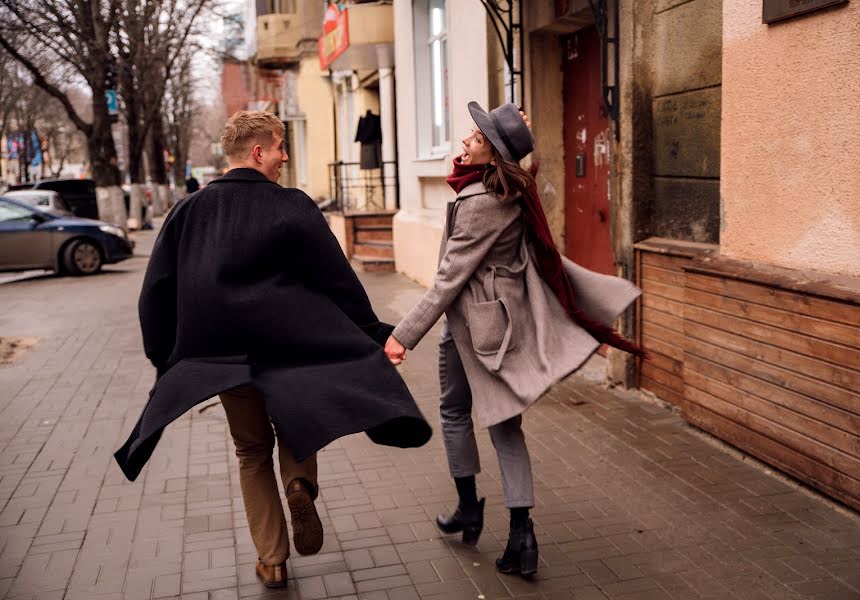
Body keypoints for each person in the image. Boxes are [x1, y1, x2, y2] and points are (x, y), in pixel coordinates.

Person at [115, 110, 431, 589]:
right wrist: (372, 332)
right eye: (280, 147)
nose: (285, 156)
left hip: (221, 358)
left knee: (251, 450)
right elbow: (337, 280)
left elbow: (156, 289)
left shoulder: (188, 212)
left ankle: (273, 559)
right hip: (292, 350)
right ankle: (299, 485)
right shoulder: (293, 206)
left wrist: (167, 358)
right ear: (258, 152)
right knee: (296, 427)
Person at [384, 102, 644, 578]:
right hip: (477, 325)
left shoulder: (483, 201)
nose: (465, 141)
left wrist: (402, 336)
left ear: (494, 154)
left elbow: (448, 278)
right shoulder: (497, 189)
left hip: (481, 329)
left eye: (476, 138)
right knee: (459, 410)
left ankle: (518, 531)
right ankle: (473, 510)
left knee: (495, 424)